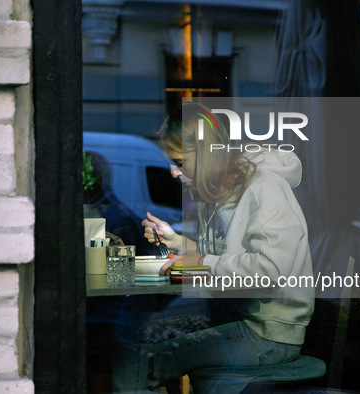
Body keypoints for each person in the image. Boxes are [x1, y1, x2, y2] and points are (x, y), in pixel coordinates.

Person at [113, 102, 314, 392]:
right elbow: (227, 257)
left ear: (208, 155)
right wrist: (178, 242)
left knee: (137, 359)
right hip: (236, 319)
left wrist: (201, 261)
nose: (172, 172)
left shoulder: (264, 188)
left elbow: (272, 270)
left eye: (180, 162)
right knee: (136, 339)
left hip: (267, 334)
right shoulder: (218, 191)